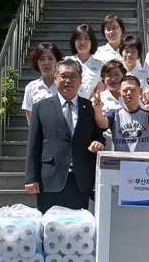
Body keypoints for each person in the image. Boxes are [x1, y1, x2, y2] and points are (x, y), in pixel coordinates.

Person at [25, 58, 105, 213]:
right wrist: (31, 178)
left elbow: (99, 136)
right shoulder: (40, 108)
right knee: (49, 229)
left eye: (73, 76)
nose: (68, 80)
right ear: (56, 79)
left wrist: (98, 143)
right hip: (50, 179)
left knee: (78, 230)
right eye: (63, 76)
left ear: (80, 80)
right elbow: (33, 145)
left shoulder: (89, 108)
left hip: (80, 180)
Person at [91, 75, 149, 152]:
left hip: (143, 161)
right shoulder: (114, 113)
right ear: (119, 93)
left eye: (132, 90)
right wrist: (98, 110)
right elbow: (103, 125)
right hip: (120, 161)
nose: (129, 93)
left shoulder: (147, 114)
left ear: (140, 91)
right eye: (125, 90)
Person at [21, 42, 64, 125]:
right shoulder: (31, 87)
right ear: (36, 61)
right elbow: (30, 120)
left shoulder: (64, 86)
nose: (46, 63)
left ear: (57, 61)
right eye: (41, 59)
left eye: (50, 58)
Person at [66, 24, 105, 99]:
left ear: (92, 41)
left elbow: (100, 90)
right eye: (78, 38)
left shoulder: (100, 65)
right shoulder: (66, 62)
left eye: (86, 38)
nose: (82, 42)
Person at [99, 60, 127, 150]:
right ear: (103, 78)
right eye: (109, 75)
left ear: (124, 76)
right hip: (107, 147)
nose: (113, 79)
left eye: (116, 74)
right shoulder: (98, 99)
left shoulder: (133, 97)